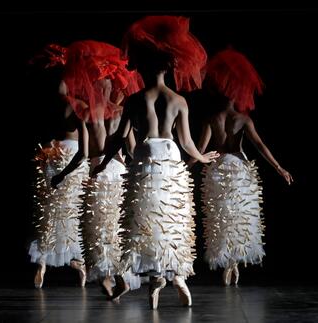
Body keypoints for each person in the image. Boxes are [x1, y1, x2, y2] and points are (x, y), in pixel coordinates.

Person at [92, 16, 219, 309]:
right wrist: (200, 156)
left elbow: (119, 138)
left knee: (146, 217)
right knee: (171, 217)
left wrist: (102, 164)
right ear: (170, 67)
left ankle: (155, 282)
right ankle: (177, 278)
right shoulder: (178, 101)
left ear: (146, 67)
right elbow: (186, 141)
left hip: (145, 156)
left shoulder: (134, 101)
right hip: (170, 156)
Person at [190, 48, 293, 286]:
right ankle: (234, 261)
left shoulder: (211, 118)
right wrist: (279, 168)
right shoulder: (243, 119)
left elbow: (199, 149)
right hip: (238, 168)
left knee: (221, 216)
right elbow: (260, 146)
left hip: (217, 168)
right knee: (239, 215)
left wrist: (185, 167)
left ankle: (228, 261)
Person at [50, 40, 142, 298]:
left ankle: (107, 275)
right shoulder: (122, 113)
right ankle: (120, 274)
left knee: (97, 228)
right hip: (117, 171)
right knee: (115, 226)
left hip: (97, 173)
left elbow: (81, 154)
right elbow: (132, 150)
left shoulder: (86, 114)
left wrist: (62, 174)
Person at [27, 43, 88, 289]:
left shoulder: (53, 103)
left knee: (52, 211)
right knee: (69, 211)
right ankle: (77, 261)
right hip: (68, 154)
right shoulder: (79, 107)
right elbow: (86, 147)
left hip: (53, 152)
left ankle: (45, 261)